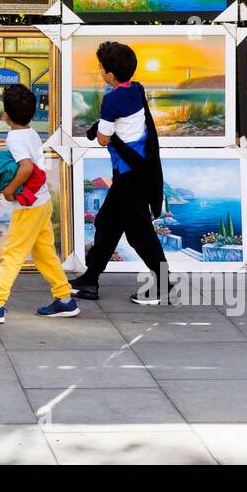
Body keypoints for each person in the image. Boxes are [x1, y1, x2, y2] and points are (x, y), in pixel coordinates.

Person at [0, 84, 78, 323]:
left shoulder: (14, 137)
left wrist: (9, 190)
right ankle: (65, 299)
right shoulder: (32, 133)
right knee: (45, 253)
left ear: (6, 114)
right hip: (42, 202)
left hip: (28, 207)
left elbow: (26, 167)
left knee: (12, 254)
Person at [69, 41, 169, 305]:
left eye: (101, 67)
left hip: (130, 176)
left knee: (139, 233)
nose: (99, 70)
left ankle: (164, 284)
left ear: (109, 75)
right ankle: (91, 278)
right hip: (135, 172)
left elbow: (103, 138)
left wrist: (100, 131)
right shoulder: (136, 89)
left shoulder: (111, 99)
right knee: (107, 223)